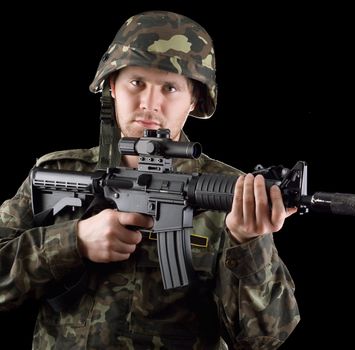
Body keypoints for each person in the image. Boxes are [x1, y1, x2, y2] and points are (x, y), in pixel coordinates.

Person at [0, 11, 300, 349]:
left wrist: (248, 243)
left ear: (194, 100)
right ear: (112, 85)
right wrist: (74, 241)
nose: (149, 104)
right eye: (136, 82)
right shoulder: (60, 173)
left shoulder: (232, 192)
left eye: (170, 87)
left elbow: (265, 338)